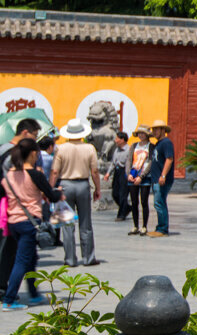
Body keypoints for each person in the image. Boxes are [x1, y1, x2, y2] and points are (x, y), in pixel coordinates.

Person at [1, 138, 61, 311]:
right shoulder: (35, 174)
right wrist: (59, 194)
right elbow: (51, 195)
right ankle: (10, 299)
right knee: (21, 261)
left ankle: (33, 294)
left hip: (13, 222)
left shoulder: (8, 175)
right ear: (33, 153)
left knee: (30, 258)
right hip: (29, 223)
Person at [50, 118, 101, 266]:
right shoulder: (89, 148)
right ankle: (88, 257)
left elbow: (54, 171)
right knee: (86, 223)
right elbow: (95, 171)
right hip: (83, 185)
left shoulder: (60, 148)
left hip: (65, 185)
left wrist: (50, 189)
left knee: (67, 224)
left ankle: (70, 259)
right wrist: (97, 188)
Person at [147, 119, 174, 237]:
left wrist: (163, 175)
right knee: (158, 203)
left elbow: (169, 159)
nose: (154, 131)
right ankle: (160, 227)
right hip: (156, 178)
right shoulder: (158, 144)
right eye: (153, 129)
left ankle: (163, 229)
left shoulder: (166, 143)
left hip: (161, 179)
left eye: (157, 129)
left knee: (159, 202)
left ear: (163, 130)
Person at [126, 126, 152, 235]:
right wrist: (128, 174)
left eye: (143, 133)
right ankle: (135, 225)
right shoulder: (134, 146)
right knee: (134, 202)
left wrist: (142, 176)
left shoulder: (151, 146)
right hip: (133, 175)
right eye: (139, 133)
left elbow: (151, 162)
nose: (141, 135)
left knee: (144, 202)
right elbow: (128, 160)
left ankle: (144, 226)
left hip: (144, 177)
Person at [107, 130, 131, 221]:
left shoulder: (129, 150)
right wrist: (108, 173)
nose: (115, 140)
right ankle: (127, 208)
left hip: (124, 172)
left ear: (123, 140)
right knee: (115, 194)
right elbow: (113, 163)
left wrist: (128, 175)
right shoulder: (116, 150)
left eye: (117, 138)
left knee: (123, 194)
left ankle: (121, 215)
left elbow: (129, 164)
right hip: (117, 172)